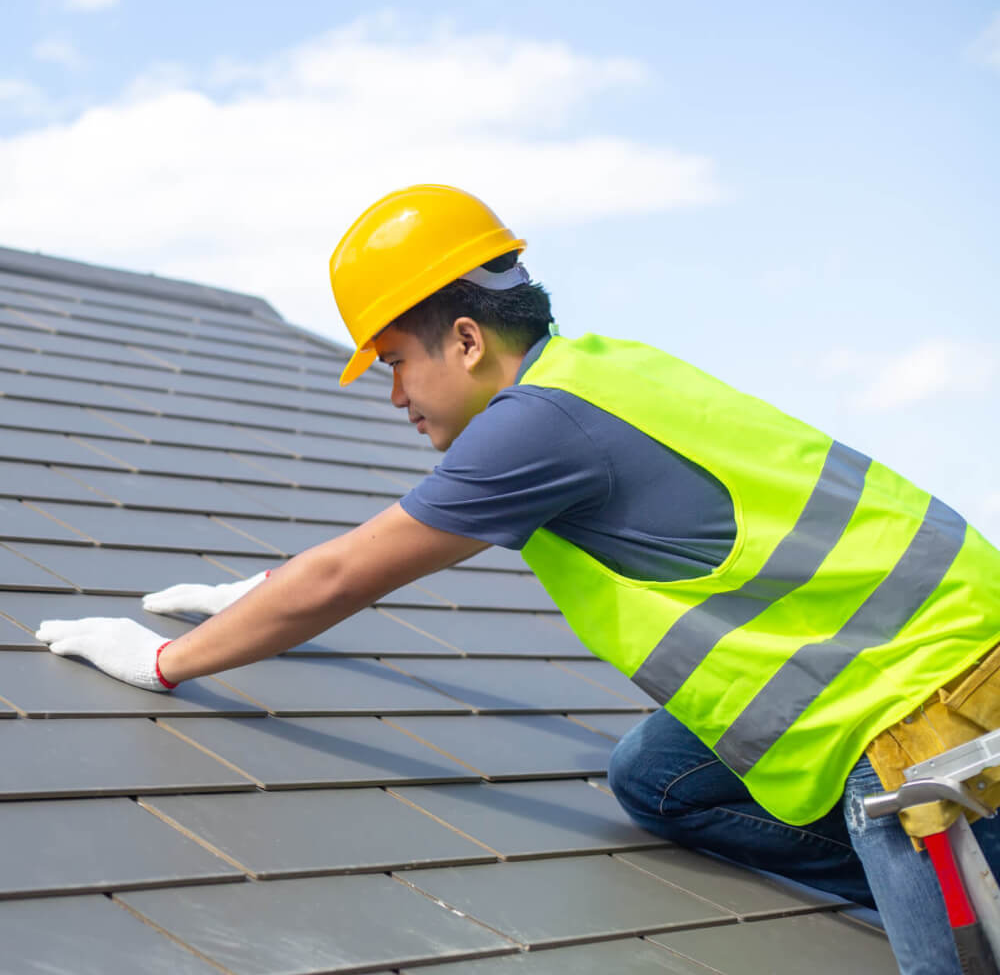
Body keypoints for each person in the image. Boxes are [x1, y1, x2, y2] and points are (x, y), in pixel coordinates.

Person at [38, 184, 1000, 975]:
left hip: (933, 725)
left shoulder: (539, 426)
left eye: (397, 361)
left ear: (465, 340)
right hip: (909, 667)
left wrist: (166, 662)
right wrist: (257, 593)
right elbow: (362, 551)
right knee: (657, 780)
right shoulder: (598, 374)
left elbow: (346, 577)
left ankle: (957, 889)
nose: (394, 395)